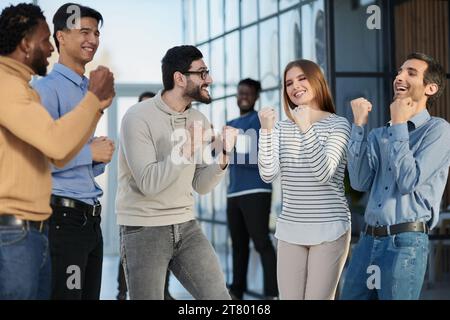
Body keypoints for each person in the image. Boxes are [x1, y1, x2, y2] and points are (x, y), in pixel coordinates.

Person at [0, 3, 114, 300]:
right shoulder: (44, 90)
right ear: (61, 37)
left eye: (96, 33)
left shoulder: (76, 89)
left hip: (87, 219)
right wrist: (90, 152)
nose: (93, 39)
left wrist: (94, 156)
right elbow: (48, 152)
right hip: (61, 219)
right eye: (84, 31)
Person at [116, 45, 238, 300]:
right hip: (143, 228)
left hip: (186, 225)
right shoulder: (137, 117)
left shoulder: (199, 120)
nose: (209, 79)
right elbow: (149, 182)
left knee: (220, 298)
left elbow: (200, 184)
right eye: (202, 72)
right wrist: (187, 148)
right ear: (179, 78)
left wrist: (224, 157)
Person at [341, 52, 450, 300]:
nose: (399, 77)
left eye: (411, 73)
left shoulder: (438, 130)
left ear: (430, 88)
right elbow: (359, 181)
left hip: (405, 244)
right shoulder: (380, 134)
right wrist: (358, 126)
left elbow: (408, 180)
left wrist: (399, 124)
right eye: (399, 71)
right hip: (367, 242)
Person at [258, 59, 351, 300]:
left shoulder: (338, 124)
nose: (294, 86)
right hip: (290, 230)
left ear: (317, 81)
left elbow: (323, 173)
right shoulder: (280, 128)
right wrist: (266, 131)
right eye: (289, 83)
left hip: (330, 229)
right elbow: (268, 173)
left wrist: (305, 127)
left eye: (301, 79)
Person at [116, 91, 174, 300]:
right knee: (130, 254)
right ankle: (122, 292)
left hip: (160, 209)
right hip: (137, 211)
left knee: (163, 253)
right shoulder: (133, 130)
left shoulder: (164, 136)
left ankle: (163, 291)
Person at [226, 78, 278, 300]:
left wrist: (231, 147)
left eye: (248, 93)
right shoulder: (231, 123)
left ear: (256, 97)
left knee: (261, 242)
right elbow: (220, 156)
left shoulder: (260, 122)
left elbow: (257, 157)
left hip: (257, 191)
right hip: (233, 192)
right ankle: (237, 291)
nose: (243, 97)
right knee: (238, 246)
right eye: (240, 93)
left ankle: (271, 294)